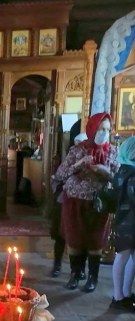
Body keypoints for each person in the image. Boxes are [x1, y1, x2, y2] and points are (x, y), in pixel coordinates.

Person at [55, 113, 119, 292]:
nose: (104, 133)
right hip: (74, 200)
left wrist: (104, 171)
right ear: (92, 128)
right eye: (101, 129)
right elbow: (60, 174)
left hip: (99, 203)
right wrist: (79, 164)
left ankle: (93, 278)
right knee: (75, 238)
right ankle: (75, 275)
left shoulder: (113, 151)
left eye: (107, 129)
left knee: (96, 239)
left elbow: (118, 178)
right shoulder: (78, 150)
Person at [50, 132, 88, 277]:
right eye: (76, 145)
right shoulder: (68, 161)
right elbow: (57, 178)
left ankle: (80, 269)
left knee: (81, 236)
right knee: (60, 235)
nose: (78, 148)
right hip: (64, 201)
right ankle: (57, 265)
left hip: (81, 203)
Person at [110, 137, 135, 309]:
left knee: (128, 257)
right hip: (129, 222)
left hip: (125, 220)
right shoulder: (131, 173)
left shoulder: (123, 170)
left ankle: (125, 293)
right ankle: (119, 296)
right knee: (124, 256)